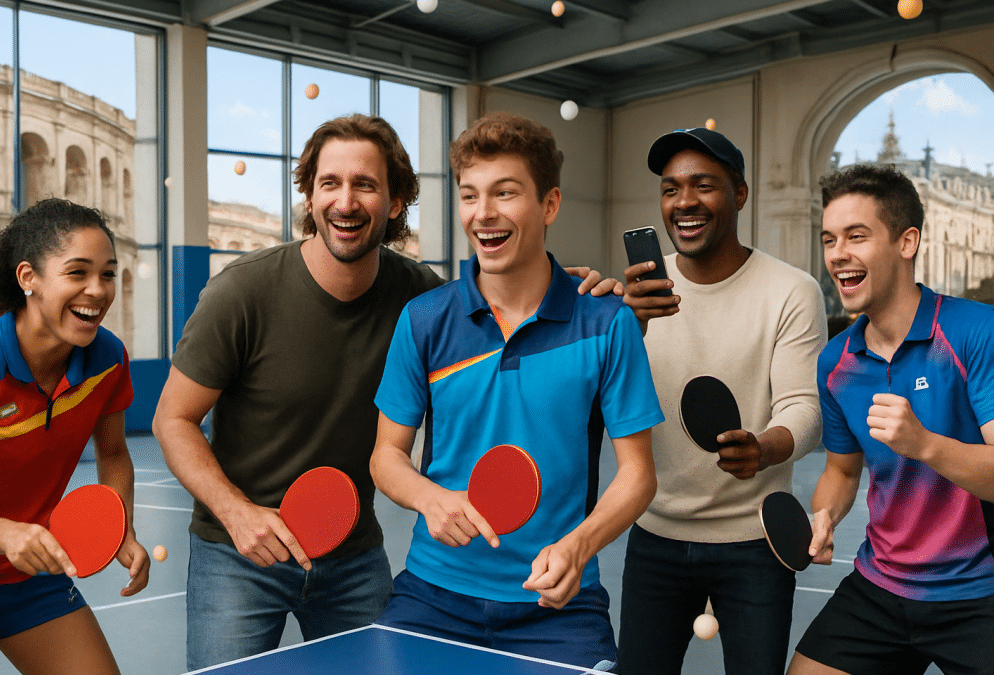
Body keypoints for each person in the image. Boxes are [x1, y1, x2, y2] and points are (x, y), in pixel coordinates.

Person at [151, 114, 614, 671]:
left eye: (365, 185)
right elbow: (172, 420)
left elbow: (501, 305)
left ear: (395, 203)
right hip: (242, 551)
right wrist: (238, 513)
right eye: (330, 183)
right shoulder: (241, 292)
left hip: (351, 553)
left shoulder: (420, 297)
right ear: (310, 195)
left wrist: (576, 290)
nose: (345, 201)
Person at [369, 111, 661, 669]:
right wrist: (430, 498)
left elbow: (637, 474)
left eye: (505, 193)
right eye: (470, 195)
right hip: (433, 596)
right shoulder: (424, 320)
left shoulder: (606, 323)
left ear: (548, 205)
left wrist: (580, 545)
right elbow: (386, 457)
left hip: (557, 607)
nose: (484, 214)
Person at [619, 127, 826, 675]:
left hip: (754, 544)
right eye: (670, 189)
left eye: (703, 185)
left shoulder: (790, 290)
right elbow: (599, 403)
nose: (684, 201)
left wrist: (766, 446)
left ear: (739, 194)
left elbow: (804, 407)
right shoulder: (637, 296)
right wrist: (624, 329)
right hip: (654, 538)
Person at [0, 198, 149, 675]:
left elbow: (115, 452)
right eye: (77, 272)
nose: (97, 290)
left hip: (32, 573)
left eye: (107, 274)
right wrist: (5, 533)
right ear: (29, 279)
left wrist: (120, 521)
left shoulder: (108, 359)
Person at [787, 164, 994, 675]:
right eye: (829, 239)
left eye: (857, 236)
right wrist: (825, 515)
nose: (837, 254)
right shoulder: (835, 362)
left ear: (907, 242)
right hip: (881, 587)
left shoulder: (974, 332)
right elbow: (840, 470)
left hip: (981, 593)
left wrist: (924, 443)